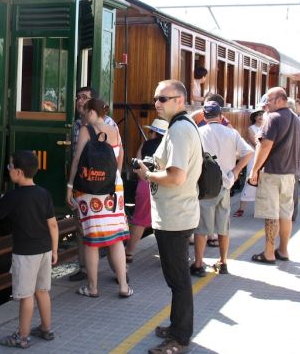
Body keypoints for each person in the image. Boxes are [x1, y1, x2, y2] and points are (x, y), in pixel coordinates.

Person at [133, 79, 201, 354]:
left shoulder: (181, 130)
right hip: (175, 213)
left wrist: (147, 174)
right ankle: (176, 328)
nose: (157, 103)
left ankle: (180, 338)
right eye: (156, 98)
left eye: (163, 98)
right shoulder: (180, 127)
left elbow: (176, 176)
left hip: (175, 216)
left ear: (179, 101)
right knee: (176, 279)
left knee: (179, 280)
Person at [0, 151, 59, 348]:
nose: (7, 170)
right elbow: (53, 225)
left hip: (25, 254)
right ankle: (46, 329)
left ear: (18, 172)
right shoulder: (44, 193)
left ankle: (22, 338)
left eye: (9, 167)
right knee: (42, 291)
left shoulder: (13, 196)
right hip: (44, 250)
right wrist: (55, 250)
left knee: (26, 297)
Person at [66, 98, 131, 298]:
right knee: (116, 239)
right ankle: (123, 286)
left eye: (86, 112)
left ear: (93, 112)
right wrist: (112, 177)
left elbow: (77, 160)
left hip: (89, 189)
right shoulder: (115, 131)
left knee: (91, 240)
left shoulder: (86, 130)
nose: (84, 117)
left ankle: (93, 288)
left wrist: (70, 186)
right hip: (113, 188)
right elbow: (120, 158)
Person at [190, 102, 253, 276]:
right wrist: (236, 171)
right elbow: (248, 152)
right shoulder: (232, 133)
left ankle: (199, 263)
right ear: (221, 116)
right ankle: (223, 262)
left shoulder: (199, 133)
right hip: (226, 184)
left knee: (201, 227)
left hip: (205, 185)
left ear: (204, 116)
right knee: (223, 226)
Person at [248, 87, 300, 264]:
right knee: (286, 213)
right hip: (289, 174)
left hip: (272, 172)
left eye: (269, 101)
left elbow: (265, 146)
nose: (266, 104)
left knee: (271, 213)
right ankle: (283, 250)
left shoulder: (273, 118)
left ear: (280, 100)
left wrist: (254, 170)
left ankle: (269, 252)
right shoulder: (295, 117)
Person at [125, 118, 167, 263]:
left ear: (154, 133)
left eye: (150, 131)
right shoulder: (169, 146)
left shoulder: (145, 145)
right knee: (165, 222)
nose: (149, 134)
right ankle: (165, 255)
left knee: (139, 221)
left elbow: (136, 166)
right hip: (164, 186)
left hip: (144, 185)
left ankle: (128, 253)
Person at [233, 109, 264, 217]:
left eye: (262, 115)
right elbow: (255, 143)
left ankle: (260, 210)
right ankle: (241, 208)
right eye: (258, 115)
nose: (260, 117)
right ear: (254, 117)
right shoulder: (251, 128)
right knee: (250, 180)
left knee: (263, 183)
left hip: (264, 157)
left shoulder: (266, 128)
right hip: (255, 157)